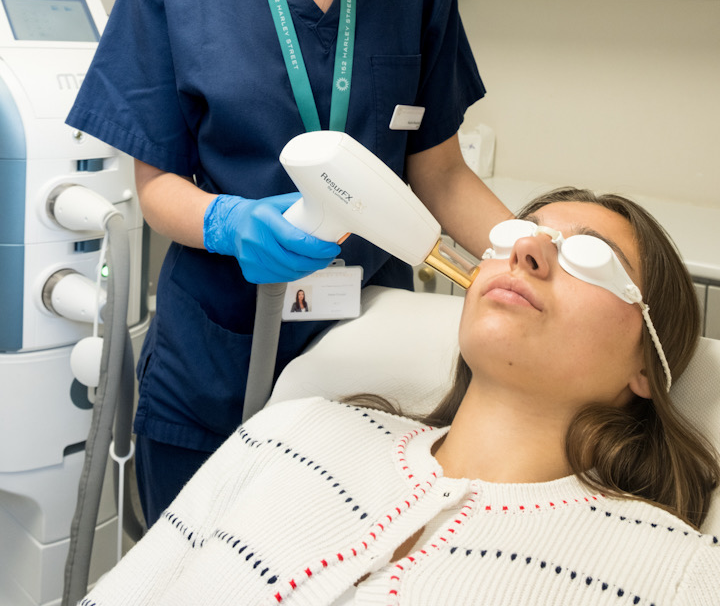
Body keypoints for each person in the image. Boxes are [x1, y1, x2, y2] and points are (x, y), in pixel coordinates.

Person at [66, 0, 511, 526]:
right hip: (217, 363)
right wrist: (233, 224)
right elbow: (156, 189)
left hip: (372, 364)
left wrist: (529, 249)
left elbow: (442, 175)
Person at [77, 187, 720, 605]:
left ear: (648, 364)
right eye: (513, 236)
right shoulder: (291, 432)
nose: (523, 248)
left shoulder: (676, 573)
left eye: (588, 256)